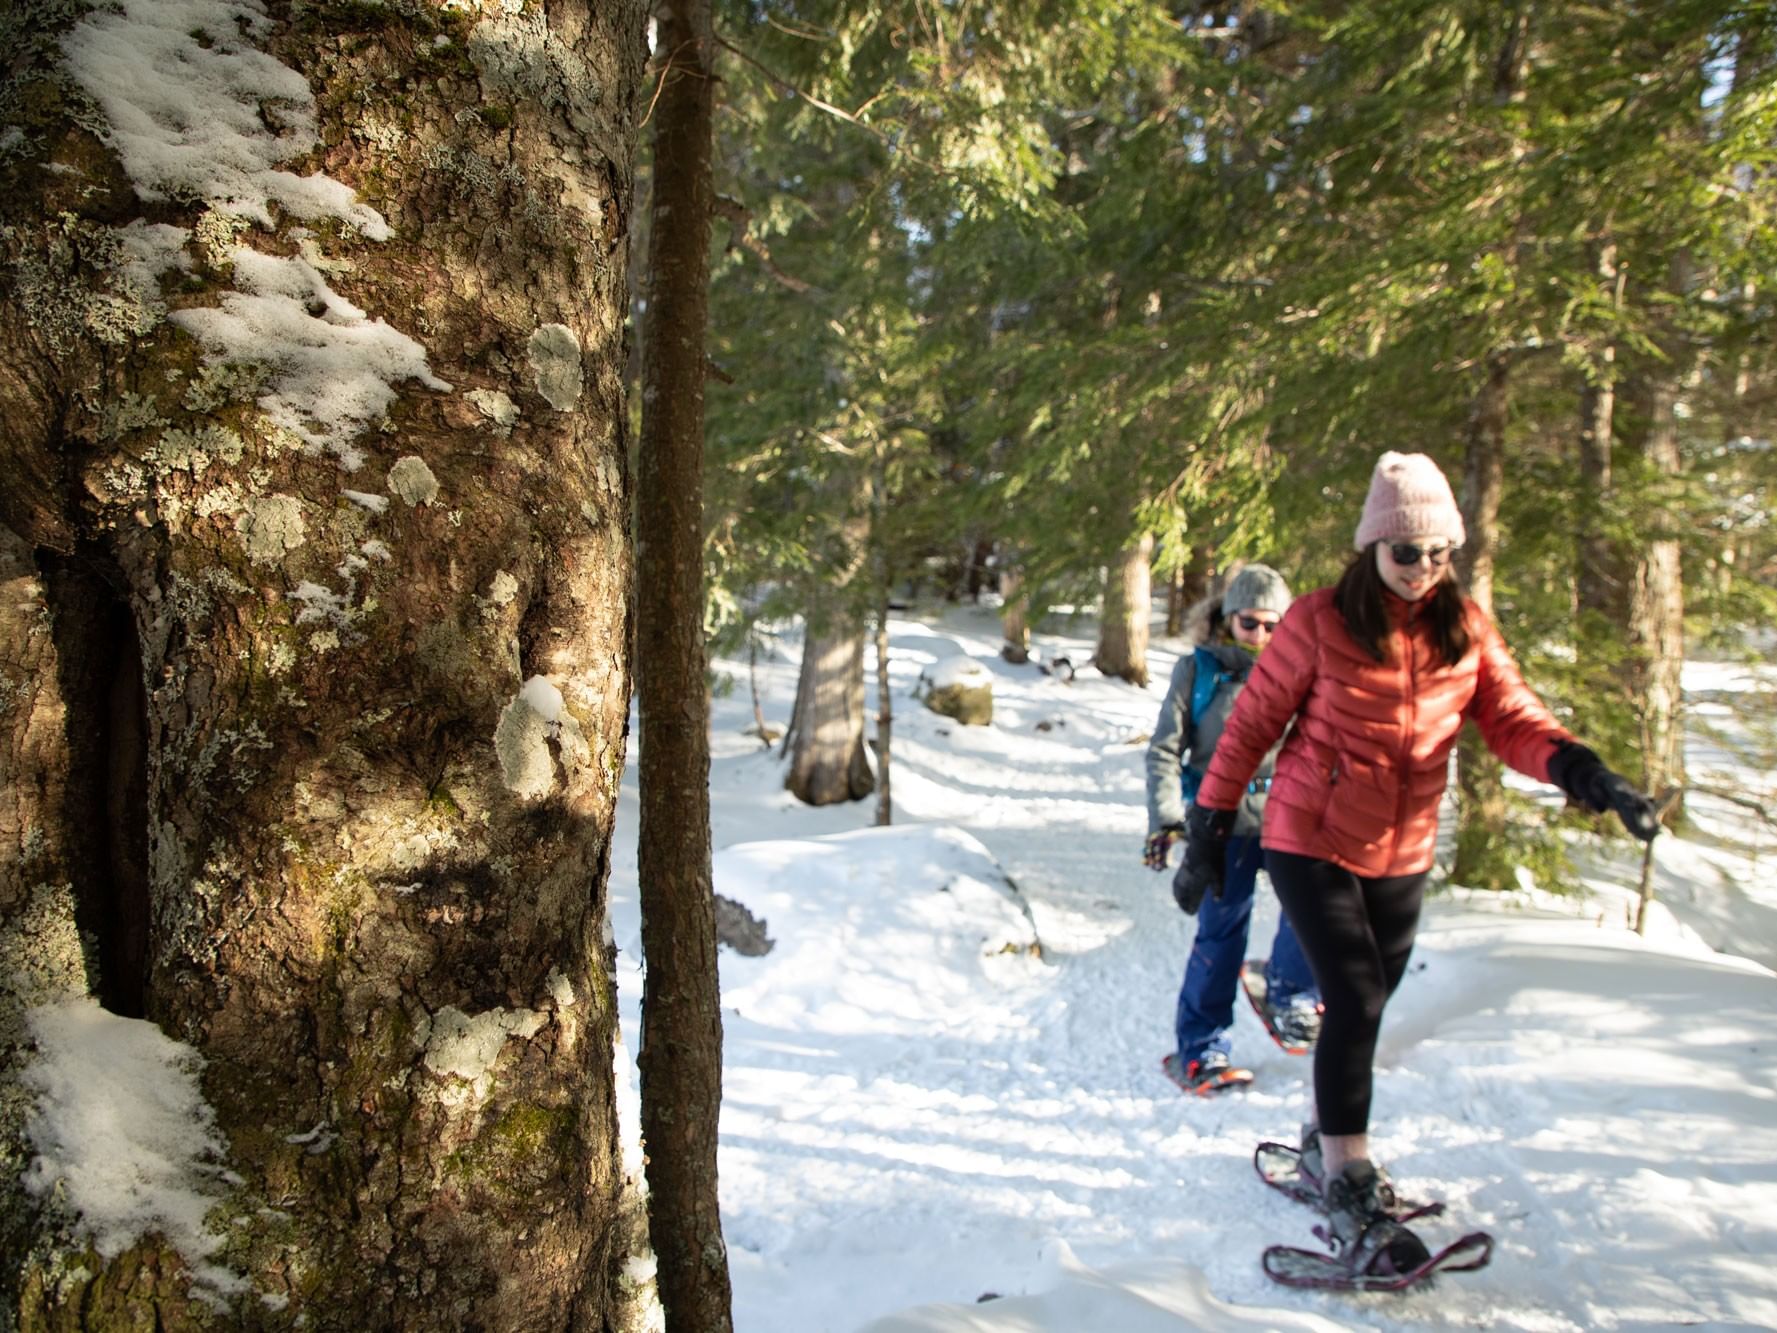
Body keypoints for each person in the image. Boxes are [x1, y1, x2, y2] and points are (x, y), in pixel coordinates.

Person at [1175, 451, 1659, 1268]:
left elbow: (1511, 717)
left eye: (1440, 551)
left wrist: (1584, 770)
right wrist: (1207, 825)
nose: (1424, 567)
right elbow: (1252, 723)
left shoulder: (1460, 625)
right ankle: (1348, 1172)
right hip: (1309, 831)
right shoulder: (1320, 620)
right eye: (1407, 551)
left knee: (1363, 1003)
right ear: (1372, 546)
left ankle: (1321, 1133)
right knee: (1357, 992)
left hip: (1402, 845)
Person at [1145, 564, 1323, 1096]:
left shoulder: (1307, 670)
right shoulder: (1198, 671)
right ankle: (1200, 1050)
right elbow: (1164, 749)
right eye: (1251, 623)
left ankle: (1290, 992)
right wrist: (1167, 819)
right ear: (1227, 619)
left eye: (1275, 625)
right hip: (1221, 822)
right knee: (1222, 932)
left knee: (1315, 909)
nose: (1262, 636)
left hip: (1291, 817)